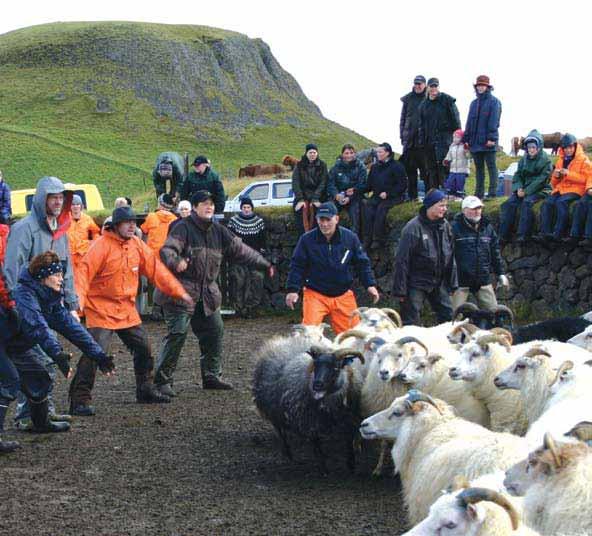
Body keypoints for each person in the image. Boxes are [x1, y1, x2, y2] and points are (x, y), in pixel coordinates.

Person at [68, 206, 193, 415]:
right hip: (101, 308)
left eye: (134, 222)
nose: (132, 225)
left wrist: (178, 292)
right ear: (116, 225)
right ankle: (79, 400)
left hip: (126, 309)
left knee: (143, 347)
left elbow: (156, 270)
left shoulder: (136, 244)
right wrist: (75, 304)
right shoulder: (100, 246)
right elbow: (83, 275)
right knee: (94, 352)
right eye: (127, 222)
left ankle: (145, 390)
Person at [154, 191, 272, 394]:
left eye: (211, 204)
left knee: (215, 331)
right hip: (179, 291)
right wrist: (176, 261)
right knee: (177, 333)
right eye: (204, 203)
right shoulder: (182, 227)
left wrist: (264, 263)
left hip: (207, 293)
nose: (209, 207)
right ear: (194, 207)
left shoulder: (219, 230)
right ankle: (162, 381)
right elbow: (167, 250)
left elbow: (241, 250)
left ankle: (211, 375)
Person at [7, 252, 116, 428]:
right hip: (6, 343)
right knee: (8, 384)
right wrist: (57, 353)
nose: (61, 279)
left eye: (61, 275)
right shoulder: (24, 295)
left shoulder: (50, 297)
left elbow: (72, 328)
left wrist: (99, 355)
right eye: (56, 275)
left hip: (17, 346)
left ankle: (40, 423)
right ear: (43, 277)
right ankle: (25, 419)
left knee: (40, 378)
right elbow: (37, 327)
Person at [4, 176, 78, 428]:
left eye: (61, 198)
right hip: (27, 306)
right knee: (37, 359)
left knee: (48, 356)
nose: (58, 202)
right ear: (41, 199)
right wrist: (16, 305)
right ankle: (28, 415)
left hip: (48, 306)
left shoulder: (61, 230)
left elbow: (66, 270)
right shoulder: (24, 228)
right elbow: (12, 267)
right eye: (53, 197)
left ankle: (44, 410)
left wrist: (72, 302)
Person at [285, 202, 379, 334]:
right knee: (308, 335)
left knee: (353, 337)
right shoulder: (306, 240)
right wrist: (292, 290)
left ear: (336, 219)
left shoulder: (350, 238)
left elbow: (362, 263)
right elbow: (297, 265)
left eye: (328, 219)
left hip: (342, 294)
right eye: (321, 219)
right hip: (315, 294)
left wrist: (370, 284)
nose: (324, 224)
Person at [392, 189, 458, 325]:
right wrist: (400, 290)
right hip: (416, 282)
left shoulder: (445, 226)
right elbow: (401, 260)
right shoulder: (412, 228)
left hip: (438, 282)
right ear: (430, 206)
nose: (444, 209)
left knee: (449, 317)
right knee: (411, 320)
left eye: (446, 206)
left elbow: (450, 255)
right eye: (441, 205)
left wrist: (453, 284)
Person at [451, 196, 509, 311]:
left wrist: (501, 273)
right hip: (460, 282)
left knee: (494, 314)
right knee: (453, 319)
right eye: (473, 209)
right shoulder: (453, 228)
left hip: (483, 280)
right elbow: (448, 256)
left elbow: (495, 252)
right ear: (464, 210)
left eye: (479, 208)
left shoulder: (488, 228)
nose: (477, 211)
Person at [499, 130, 552, 244]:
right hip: (523, 189)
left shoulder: (546, 161)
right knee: (508, 204)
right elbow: (518, 175)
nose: (531, 150)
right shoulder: (523, 160)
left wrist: (526, 191)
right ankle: (503, 235)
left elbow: (542, 179)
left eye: (533, 147)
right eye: (529, 147)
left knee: (527, 203)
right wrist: (518, 188)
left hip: (541, 189)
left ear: (539, 147)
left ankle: (523, 234)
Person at [538, 134, 589, 243]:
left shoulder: (584, 160)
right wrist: (556, 176)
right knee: (547, 203)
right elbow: (554, 183)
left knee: (561, 202)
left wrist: (569, 174)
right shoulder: (560, 160)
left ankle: (558, 234)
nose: (568, 150)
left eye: (570, 147)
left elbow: (585, 179)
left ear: (575, 146)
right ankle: (545, 234)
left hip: (576, 189)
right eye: (566, 148)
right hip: (562, 189)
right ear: (562, 148)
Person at [226, 197, 268, 317]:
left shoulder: (259, 222)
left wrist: (262, 254)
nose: (246, 209)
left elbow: (262, 240)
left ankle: (252, 308)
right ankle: (239, 308)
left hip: (254, 257)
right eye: (244, 207)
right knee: (239, 280)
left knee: (256, 280)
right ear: (241, 208)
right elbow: (230, 239)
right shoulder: (234, 221)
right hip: (239, 257)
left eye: (248, 207)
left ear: (252, 208)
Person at [463, 75, 502, 199]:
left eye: (483, 85)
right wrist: (466, 139)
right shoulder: (473, 103)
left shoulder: (494, 102)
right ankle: (478, 193)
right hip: (475, 142)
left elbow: (494, 121)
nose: (480, 87)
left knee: (491, 167)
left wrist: (492, 139)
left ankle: (492, 193)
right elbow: (469, 122)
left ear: (487, 87)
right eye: (478, 85)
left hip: (488, 142)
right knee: (479, 169)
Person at [362, 142, 407, 249]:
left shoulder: (397, 166)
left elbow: (402, 185)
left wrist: (388, 193)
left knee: (381, 209)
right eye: (377, 152)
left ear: (387, 153)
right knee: (368, 208)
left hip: (394, 197)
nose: (377, 154)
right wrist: (355, 190)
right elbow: (369, 185)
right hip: (377, 196)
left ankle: (378, 240)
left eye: (380, 152)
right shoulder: (375, 167)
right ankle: (367, 238)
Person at [418, 78, 461, 191]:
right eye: (431, 86)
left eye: (435, 86)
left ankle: (450, 193)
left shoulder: (447, 100)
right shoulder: (423, 105)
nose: (433, 89)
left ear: (438, 87)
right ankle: (435, 195)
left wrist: (459, 137)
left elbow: (456, 120)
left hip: (445, 141)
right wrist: (422, 142)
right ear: (427, 88)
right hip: (429, 143)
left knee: (446, 167)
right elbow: (421, 126)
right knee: (432, 170)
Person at [327, 144, 367, 235]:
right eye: (346, 153)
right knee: (329, 212)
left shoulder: (360, 167)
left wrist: (350, 197)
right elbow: (330, 184)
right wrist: (336, 195)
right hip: (338, 196)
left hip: (354, 196)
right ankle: (330, 238)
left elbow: (362, 184)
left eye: (351, 153)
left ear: (355, 153)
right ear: (342, 154)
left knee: (355, 215)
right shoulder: (335, 167)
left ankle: (354, 241)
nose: (349, 155)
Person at [400, 75, 428, 201]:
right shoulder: (408, 99)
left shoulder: (429, 98)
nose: (417, 86)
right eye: (416, 84)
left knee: (426, 171)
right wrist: (402, 136)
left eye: (420, 84)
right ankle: (412, 197)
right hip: (409, 142)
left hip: (423, 143)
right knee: (410, 171)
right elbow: (403, 119)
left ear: (424, 85)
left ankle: (429, 197)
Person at [292, 143, 329, 235]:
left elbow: (323, 182)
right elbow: (296, 182)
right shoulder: (299, 165)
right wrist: (300, 199)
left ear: (317, 153)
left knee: (318, 211)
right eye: (310, 152)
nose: (312, 154)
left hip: (318, 196)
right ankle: (304, 236)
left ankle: (316, 236)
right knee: (301, 211)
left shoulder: (322, 165)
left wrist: (315, 198)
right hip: (303, 195)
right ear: (306, 153)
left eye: (314, 152)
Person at [67, 194, 100, 282]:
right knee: (70, 278)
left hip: (83, 254)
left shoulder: (87, 218)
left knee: (83, 278)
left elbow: (96, 232)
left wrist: (93, 243)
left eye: (77, 204)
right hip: (69, 254)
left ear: (81, 206)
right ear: (70, 206)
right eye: (73, 204)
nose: (75, 206)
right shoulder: (65, 219)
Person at [443, 129, 471, 198]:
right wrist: (446, 160)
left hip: (462, 170)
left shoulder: (465, 146)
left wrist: (466, 150)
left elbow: (468, 156)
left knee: (460, 183)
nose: (455, 139)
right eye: (454, 137)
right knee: (450, 182)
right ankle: (451, 195)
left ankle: (460, 196)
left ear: (462, 138)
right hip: (453, 169)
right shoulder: (452, 146)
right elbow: (449, 155)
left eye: (457, 137)